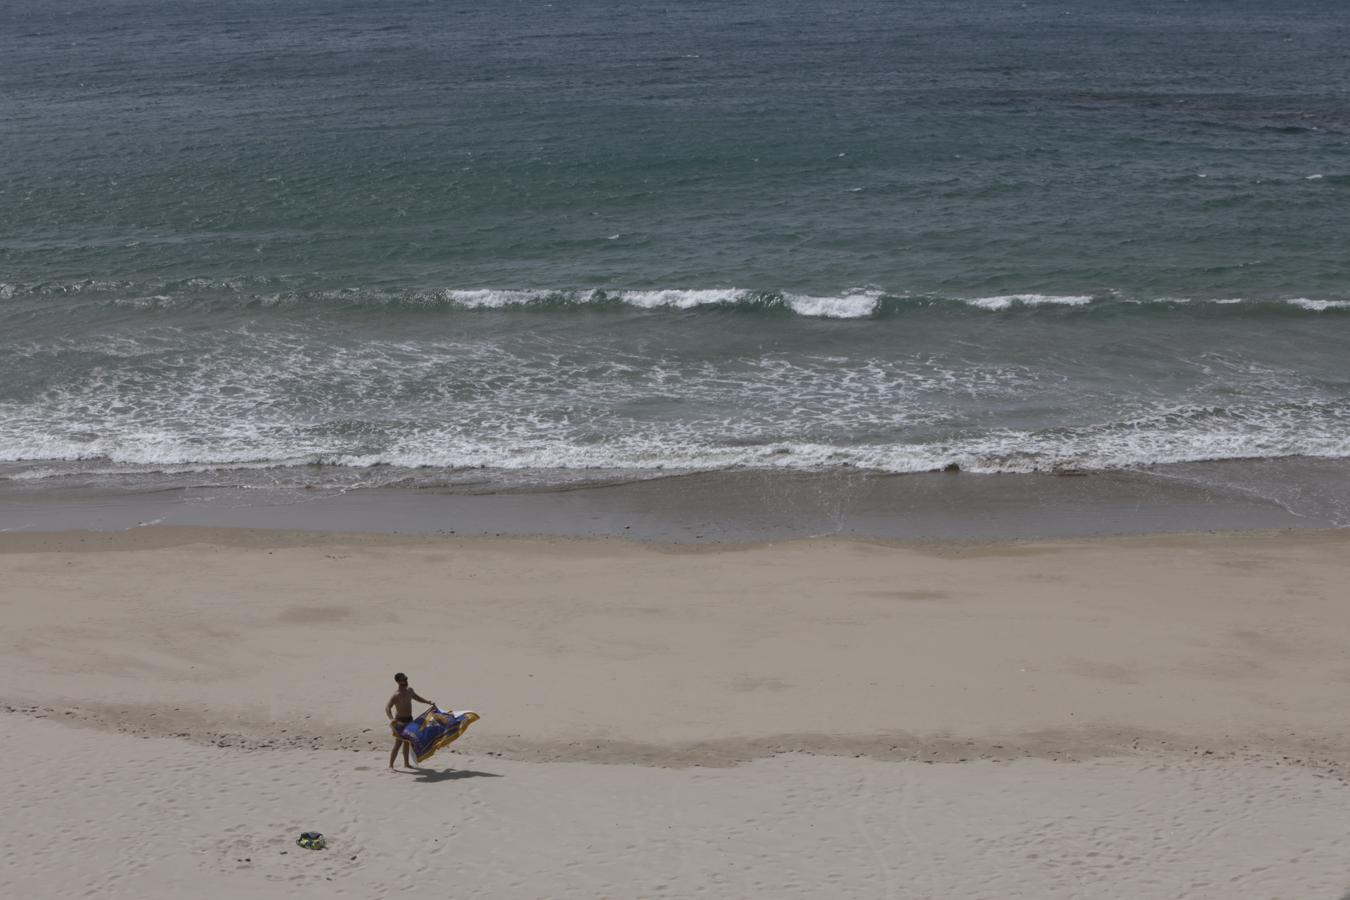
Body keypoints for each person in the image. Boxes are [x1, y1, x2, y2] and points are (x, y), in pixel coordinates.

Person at [386, 672, 436, 770]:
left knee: (407, 743)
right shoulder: (396, 695)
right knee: (398, 743)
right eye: (403, 680)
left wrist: (428, 702)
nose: (405, 682)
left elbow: (417, 698)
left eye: (406, 679)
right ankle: (391, 766)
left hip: (409, 721)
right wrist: (392, 719)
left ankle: (406, 764)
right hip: (399, 722)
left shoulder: (410, 691)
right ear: (398, 682)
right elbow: (388, 708)